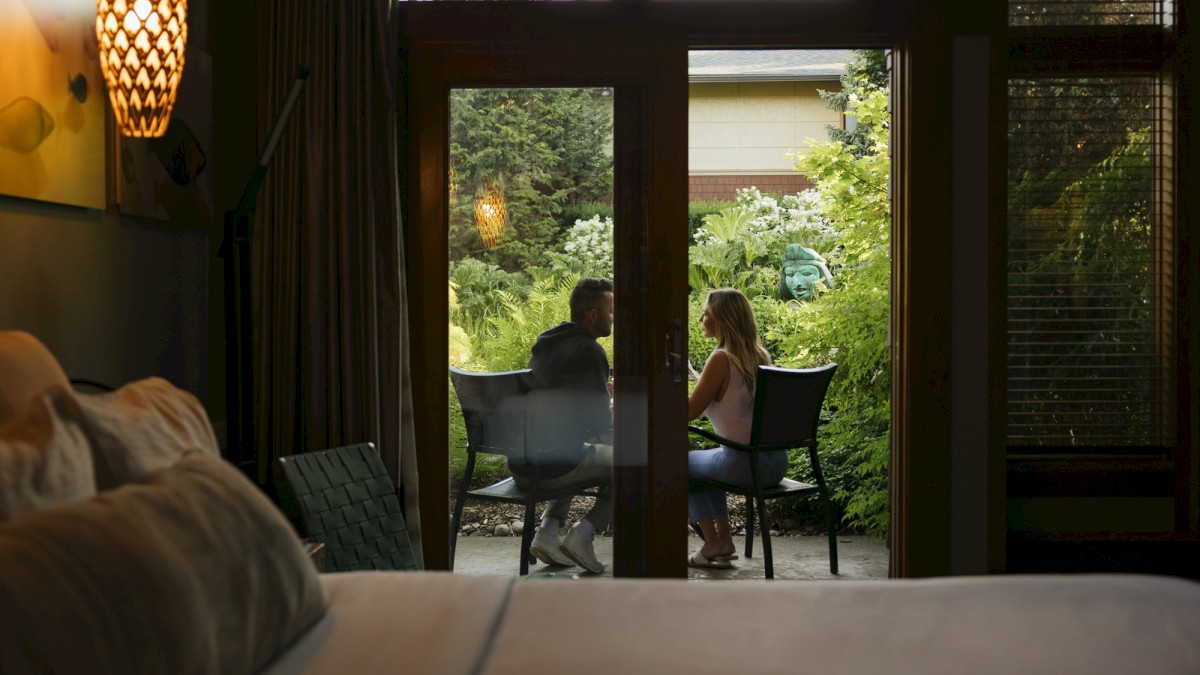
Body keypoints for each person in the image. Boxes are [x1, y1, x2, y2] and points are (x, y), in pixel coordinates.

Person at [519, 277, 614, 574]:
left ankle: (547, 532)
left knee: (572, 446)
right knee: (636, 464)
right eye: (611, 311)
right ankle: (584, 535)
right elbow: (601, 427)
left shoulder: (547, 344)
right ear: (593, 315)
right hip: (551, 470)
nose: (614, 317)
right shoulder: (590, 351)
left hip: (523, 465)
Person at [686, 288, 777, 569]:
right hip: (775, 463)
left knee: (678, 462)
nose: (700, 319)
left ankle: (714, 541)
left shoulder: (721, 359)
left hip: (744, 465)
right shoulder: (759, 356)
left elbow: (690, 412)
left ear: (722, 319)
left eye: (706, 313)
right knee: (705, 463)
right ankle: (722, 542)